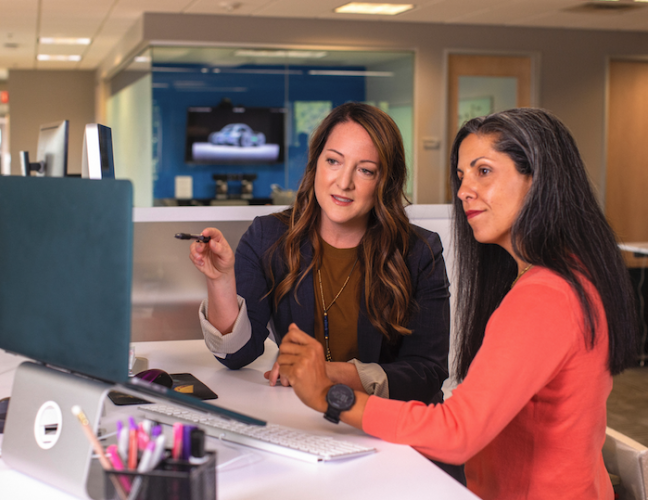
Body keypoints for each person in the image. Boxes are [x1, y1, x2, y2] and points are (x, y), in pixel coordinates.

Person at [276, 108, 639, 499]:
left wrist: (331, 397)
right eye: (462, 175)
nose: (464, 190)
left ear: (539, 180)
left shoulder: (545, 295)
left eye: (483, 171)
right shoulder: (570, 274)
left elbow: (457, 432)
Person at [189, 102, 462, 480]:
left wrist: (328, 375)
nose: (344, 182)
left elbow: (427, 373)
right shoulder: (268, 237)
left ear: (385, 181)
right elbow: (237, 355)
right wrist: (220, 280)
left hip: (394, 439)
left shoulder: (419, 250)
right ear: (316, 162)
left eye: (365, 170)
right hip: (309, 433)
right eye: (334, 161)